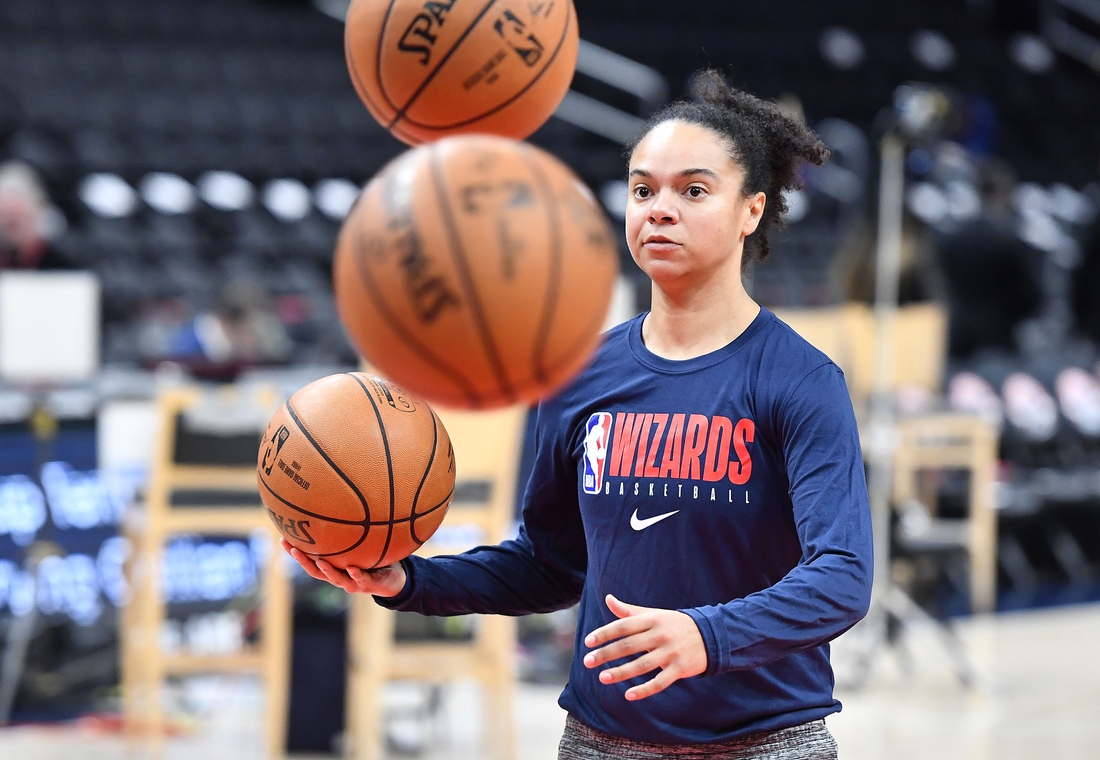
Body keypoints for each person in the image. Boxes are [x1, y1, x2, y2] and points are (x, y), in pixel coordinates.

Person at [285, 70, 874, 760]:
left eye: (693, 190)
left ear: (752, 209)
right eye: (643, 189)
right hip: (603, 740)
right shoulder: (581, 372)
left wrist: (707, 637)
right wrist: (411, 580)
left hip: (767, 741)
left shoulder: (801, 379)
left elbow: (841, 577)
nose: (659, 209)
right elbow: (550, 565)